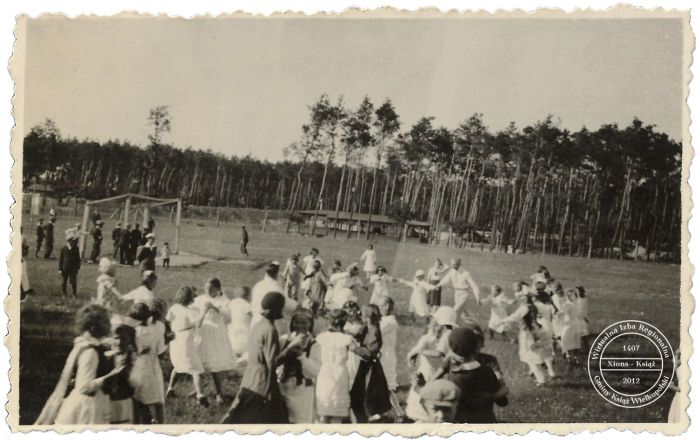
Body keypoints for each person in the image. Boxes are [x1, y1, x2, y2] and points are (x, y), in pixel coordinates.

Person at [223, 291, 305, 423]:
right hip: (264, 382)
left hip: (250, 377)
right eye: (281, 307)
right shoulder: (270, 330)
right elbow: (272, 364)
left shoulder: (258, 325)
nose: (282, 311)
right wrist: (290, 348)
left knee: (242, 414)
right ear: (274, 309)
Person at [35, 304, 124, 425]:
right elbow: (84, 387)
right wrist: (112, 375)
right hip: (87, 408)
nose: (109, 324)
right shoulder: (90, 352)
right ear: (93, 327)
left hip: (91, 402)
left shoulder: (84, 343)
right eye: (105, 321)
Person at [192, 278, 237, 405]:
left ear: (218, 289)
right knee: (197, 363)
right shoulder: (201, 299)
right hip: (203, 332)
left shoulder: (224, 300)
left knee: (214, 367)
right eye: (206, 289)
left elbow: (229, 317)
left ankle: (219, 393)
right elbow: (192, 308)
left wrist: (215, 308)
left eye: (211, 289)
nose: (208, 291)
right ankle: (198, 391)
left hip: (216, 334)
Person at [443, 327, 501, 423]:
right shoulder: (488, 371)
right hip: (488, 422)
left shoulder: (454, 379)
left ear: (453, 351)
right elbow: (502, 402)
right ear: (476, 347)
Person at [497, 293, 556, 385]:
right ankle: (545, 375)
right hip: (538, 329)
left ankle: (541, 379)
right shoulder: (535, 306)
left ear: (523, 300)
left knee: (530, 356)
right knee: (538, 354)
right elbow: (545, 310)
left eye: (520, 299)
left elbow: (515, 317)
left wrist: (501, 321)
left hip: (528, 333)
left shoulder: (524, 308)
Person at [165, 286, 209, 407]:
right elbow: (198, 324)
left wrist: (169, 331)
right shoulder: (189, 311)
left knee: (178, 365)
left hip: (175, 337)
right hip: (185, 338)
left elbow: (167, 320)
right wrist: (204, 312)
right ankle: (200, 395)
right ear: (190, 298)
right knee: (196, 367)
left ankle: (170, 389)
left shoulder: (174, 308)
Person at [349, 304, 392, 423]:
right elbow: (360, 335)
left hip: (370, 366)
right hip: (365, 364)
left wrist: (355, 349)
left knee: (369, 391)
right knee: (361, 391)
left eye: (362, 315)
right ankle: (363, 414)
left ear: (367, 317)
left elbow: (370, 352)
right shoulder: (368, 327)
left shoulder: (374, 331)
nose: (360, 317)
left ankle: (370, 415)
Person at [278, 309, 321, 423]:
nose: (300, 326)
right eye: (297, 322)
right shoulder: (283, 340)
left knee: (300, 423)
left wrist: (302, 356)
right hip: (283, 386)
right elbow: (276, 362)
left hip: (302, 389)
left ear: (310, 324)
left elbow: (315, 371)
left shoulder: (314, 344)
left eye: (304, 323)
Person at [129, 303, 167, 424]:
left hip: (138, 365)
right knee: (158, 398)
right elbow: (161, 351)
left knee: (137, 397)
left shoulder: (133, 332)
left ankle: (137, 425)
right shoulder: (156, 330)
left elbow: (132, 350)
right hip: (153, 365)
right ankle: (162, 425)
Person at [315, 309, 354, 423]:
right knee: (337, 412)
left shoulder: (321, 337)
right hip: (340, 373)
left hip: (325, 372)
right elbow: (355, 354)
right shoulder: (347, 339)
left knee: (324, 407)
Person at [379, 297, 405, 421]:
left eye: (386, 306)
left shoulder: (390, 321)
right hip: (382, 353)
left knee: (387, 385)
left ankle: (399, 411)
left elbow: (378, 332)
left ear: (391, 308)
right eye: (382, 305)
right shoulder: (384, 319)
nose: (384, 308)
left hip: (386, 355)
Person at [105, 324, 138, 424]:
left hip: (126, 400)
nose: (119, 342)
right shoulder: (107, 357)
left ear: (129, 341)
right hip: (108, 400)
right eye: (116, 338)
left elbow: (137, 383)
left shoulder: (133, 359)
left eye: (123, 339)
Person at [251, 261, 297, 327]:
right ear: (277, 273)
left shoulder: (257, 285)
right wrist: (297, 306)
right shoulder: (275, 288)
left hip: (255, 321)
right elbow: (287, 304)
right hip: (268, 322)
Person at [437, 258, 481, 324]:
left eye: (454, 265)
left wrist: (477, 298)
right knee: (464, 313)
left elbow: (474, 287)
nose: (452, 266)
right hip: (456, 293)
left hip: (464, 294)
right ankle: (475, 324)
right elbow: (445, 280)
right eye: (451, 264)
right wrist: (437, 285)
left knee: (455, 310)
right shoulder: (452, 271)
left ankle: (452, 326)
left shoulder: (466, 274)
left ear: (459, 264)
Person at [226, 286, 252, 359]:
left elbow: (227, 317)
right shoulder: (247, 305)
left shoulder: (231, 303)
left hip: (233, 331)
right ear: (247, 295)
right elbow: (253, 316)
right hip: (244, 332)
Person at [58, 229, 81, 298]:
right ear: (70, 241)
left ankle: (74, 293)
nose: (76, 242)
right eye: (75, 241)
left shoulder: (76, 248)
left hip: (73, 268)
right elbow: (61, 259)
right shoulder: (64, 248)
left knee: (73, 281)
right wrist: (60, 268)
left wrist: (78, 267)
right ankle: (64, 294)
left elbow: (78, 259)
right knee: (64, 281)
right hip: (65, 268)